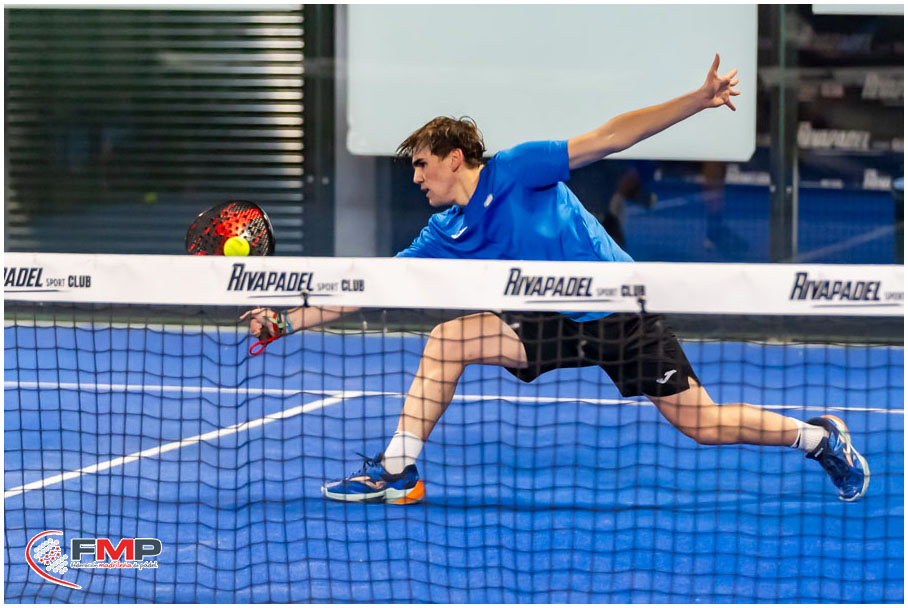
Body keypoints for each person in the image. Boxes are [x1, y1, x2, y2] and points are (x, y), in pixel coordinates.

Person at [242, 55, 869, 504]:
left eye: (422, 164)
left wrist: (695, 100)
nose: (415, 177)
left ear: (455, 158)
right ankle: (398, 471)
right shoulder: (444, 232)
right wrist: (286, 320)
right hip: (548, 318)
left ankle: (818, 438)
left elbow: (610, 137)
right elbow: (373, 287)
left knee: (702, 425)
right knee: (447, 341)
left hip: (619, 312)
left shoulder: (518, 169)